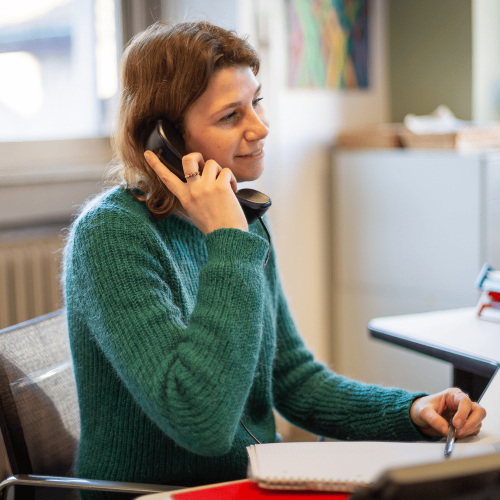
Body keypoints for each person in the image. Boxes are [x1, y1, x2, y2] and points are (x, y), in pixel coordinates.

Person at [63, 21, 486, 498]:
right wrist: (228, 240)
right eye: (230, 116)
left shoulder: (239, 222)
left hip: (251, 478)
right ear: (165, 139)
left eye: (257, 102)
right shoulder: (112, 235)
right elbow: (201, 424)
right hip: (154, 492)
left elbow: (293, 378)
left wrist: (409, 412)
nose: (260, 127)